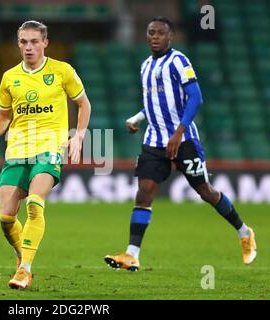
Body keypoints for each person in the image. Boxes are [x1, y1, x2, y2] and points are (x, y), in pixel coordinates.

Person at [104, 16, 256, 272]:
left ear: (170, 36)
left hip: (183, 140)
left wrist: (179, 131)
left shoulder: (179, 61)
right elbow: (157, 101)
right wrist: (138, 117)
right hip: (153, 141)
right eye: (151, 32)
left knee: (205, 191)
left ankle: (244, 231)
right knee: (144, 195)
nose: (154, 37)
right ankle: (132, 255)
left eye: (160, 33)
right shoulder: (145, 66)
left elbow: (195, 97)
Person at [0, 20, 91, 289]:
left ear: (45, 42)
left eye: (34, 41)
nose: (28, 47)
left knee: (34, 203)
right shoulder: (10, 77)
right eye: (23, 42)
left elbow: (83, 103)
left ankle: (25, 270)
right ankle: (23, 257)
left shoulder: (62, 71)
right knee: (6, 217)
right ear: (18, 44)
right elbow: (3, 115)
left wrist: (78, 135)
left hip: (50, 146)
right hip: (17, 148)